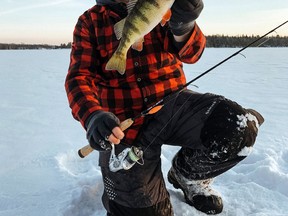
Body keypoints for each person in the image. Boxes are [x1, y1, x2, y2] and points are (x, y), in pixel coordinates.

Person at [65, 0, 264, 215]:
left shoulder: (163, 6)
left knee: (238, 126)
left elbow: (192, 54)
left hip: (174, 107)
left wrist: (184, 26)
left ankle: (186, 175)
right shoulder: (90, 21)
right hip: (125, 124)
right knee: (142, 211)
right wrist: (93, 115)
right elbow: (79, 77)